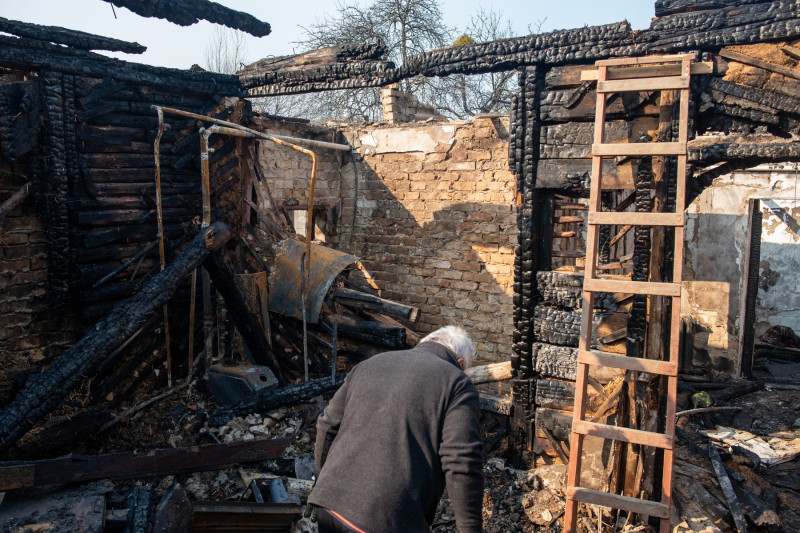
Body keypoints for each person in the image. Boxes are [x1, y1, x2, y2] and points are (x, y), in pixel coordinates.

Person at [308, 325, 484, 533]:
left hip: (329, 507)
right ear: (460, 363)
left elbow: (327, 425)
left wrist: (322, 483)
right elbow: (461, 461)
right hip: (386, 519)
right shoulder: (457, 382)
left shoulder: (370, 364)